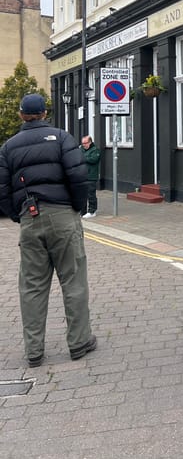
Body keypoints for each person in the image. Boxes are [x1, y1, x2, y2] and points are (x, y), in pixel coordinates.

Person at [0, 93, 97, 367]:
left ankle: (34, 351)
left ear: (21, 115)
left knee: (31, 286)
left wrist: (18, 216)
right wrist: (76, 207)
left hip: (29, 217)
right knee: (73, 280)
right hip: (63, 214)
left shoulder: (8, 147)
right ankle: (79, 342)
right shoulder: (62, 137)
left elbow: (2, 189)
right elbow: (79, 176)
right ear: (45, 113)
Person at [80, 135, 101, 218]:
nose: (84, 145)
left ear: (90, 142)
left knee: (91, 194)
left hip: (91, 176)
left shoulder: (95, 150)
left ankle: (92, 211)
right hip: (82, 176)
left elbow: (93, 160)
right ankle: (82, 211)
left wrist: (83, 157)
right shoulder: (81, 149)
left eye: (85, 143)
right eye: (82, 143)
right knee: (82, 195)